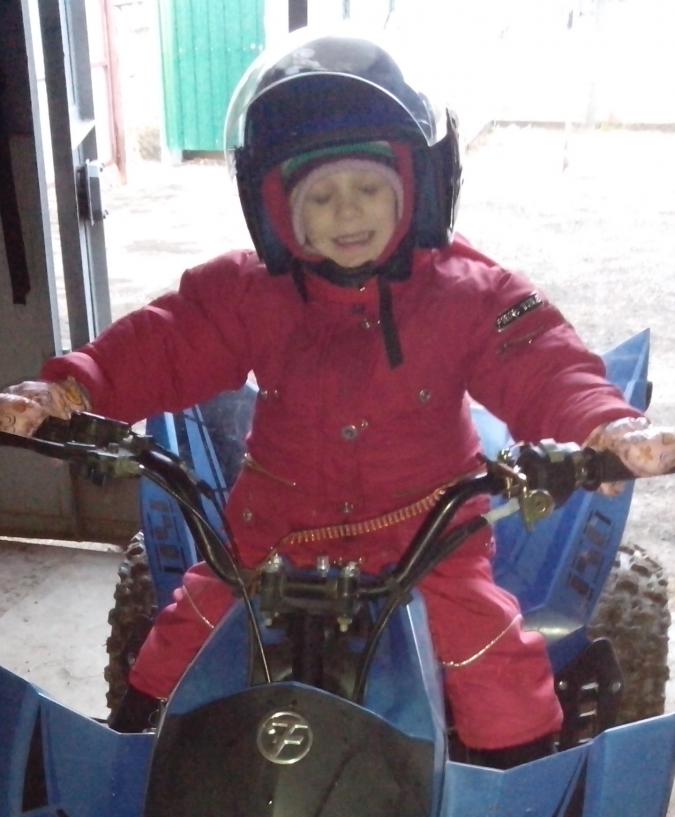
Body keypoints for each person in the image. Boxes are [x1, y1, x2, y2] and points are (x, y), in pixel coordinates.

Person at [1, 30, 674, 760]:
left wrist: (606, 425)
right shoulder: (246, 291)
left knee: (497, 667)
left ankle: (511, 795)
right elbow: (164, 342)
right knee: (175, 645)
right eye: (320, 196)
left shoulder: (468, 291)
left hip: (428, 533)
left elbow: (542, 362)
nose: (346, 214)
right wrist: (70, 386)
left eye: (369, 190)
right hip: (271, 530)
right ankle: (133, 762)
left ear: (415, 188)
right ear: (277, 207)